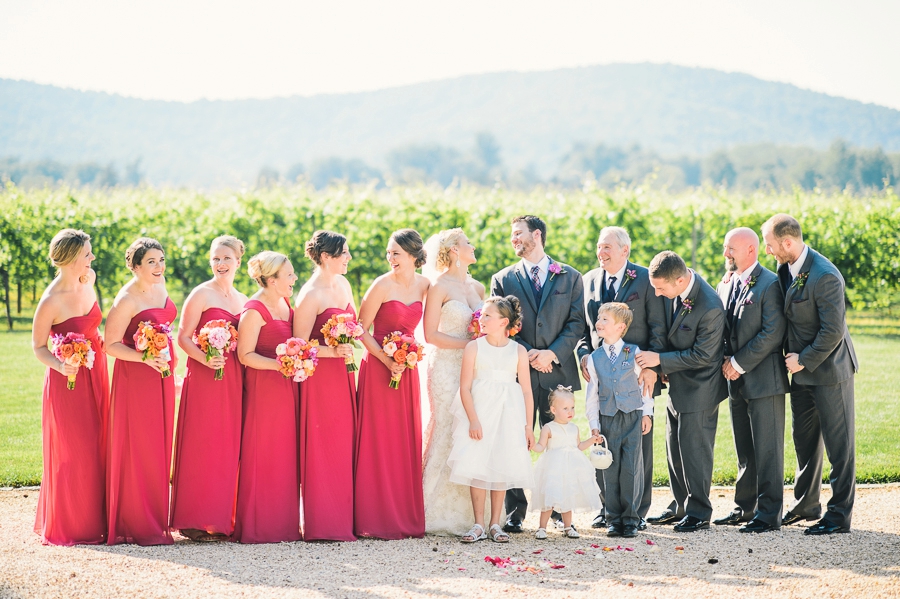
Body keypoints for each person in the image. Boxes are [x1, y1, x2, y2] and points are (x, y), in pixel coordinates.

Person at [761, 214, 858, 536]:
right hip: (800, 374)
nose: (769, 252)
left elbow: (833, 330)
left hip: (830, 371)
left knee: (839, 446)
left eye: (771, 246)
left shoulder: (825, 275)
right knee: (804, 441)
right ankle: (806, 503)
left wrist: (803, 360)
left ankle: (839, 515)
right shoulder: (786, 267)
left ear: (788, 243)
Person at [490, 215, 584, 533]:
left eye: (518, 234)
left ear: (537, 235)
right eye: (512, 235)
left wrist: (551, 353)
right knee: (516, 440)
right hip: (518, 373)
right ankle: (515, 511)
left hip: (558, 371)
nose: (513, 239)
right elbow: (500, 324)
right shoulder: (503, 279)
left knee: (559, 444)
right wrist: (529, 354)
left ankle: (558, 508)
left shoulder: (570, 277)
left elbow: (576, 324)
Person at [576, 226, 666, 530]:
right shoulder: (587, 281)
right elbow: (581, 329)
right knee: (606, 452)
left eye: (607, 248)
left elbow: (658, 325)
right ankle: (608, 511)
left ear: (624, 250)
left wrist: (653, 365)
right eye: (599, 247)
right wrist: (584, 355)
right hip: (602, 371)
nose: (601, 253)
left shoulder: (644, 278)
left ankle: (637, 512)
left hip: (637, 372)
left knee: (638, 452)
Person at [636, 251, 727, 533]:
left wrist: (658, 360)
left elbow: (702, 355)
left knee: (695, 452)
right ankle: (681, 506)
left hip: (701, 389)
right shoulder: (673, 292)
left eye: (661, 288)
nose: (658, 294)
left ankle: (699, 512)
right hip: (677, 385)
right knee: (674, 450)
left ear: (679, 279)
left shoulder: (710, 305)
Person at [31, 229, 109, 546]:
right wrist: (62, 365)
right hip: (68, 382)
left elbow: (95, 328)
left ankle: (99, 520)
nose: (92, 258)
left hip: (97, 371)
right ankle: (72, 523)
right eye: (87, 254)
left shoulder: (88, 283)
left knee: (98, 442)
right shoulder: (50, 301)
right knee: (73, 449)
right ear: (72, 257)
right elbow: (38, 347)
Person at [170, 235, 248, 542]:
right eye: (215, 258)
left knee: (227, 444)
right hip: (205, 378)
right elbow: (183, 337)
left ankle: (220, 517)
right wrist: (206, 358)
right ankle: (193, 519)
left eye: (226, 258)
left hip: (233, 379)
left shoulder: (243, 300)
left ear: (238, 261)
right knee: (202, 441)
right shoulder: (200, 294)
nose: (220, 264)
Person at [354, 229, 430, 539]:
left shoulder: (426, 285)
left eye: (396, 253)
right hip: (379, 369)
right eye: (389, 253)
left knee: (402, 438)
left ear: (413, 255)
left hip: (407, 369)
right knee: (377, 438)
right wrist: (387, 360)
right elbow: (361, 329)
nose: (390, 258)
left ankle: (402, 513)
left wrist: (407, 357)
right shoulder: (381, 285)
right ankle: (373, 516)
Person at [713, 227, 788, 533]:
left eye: (731, 248)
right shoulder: (727, 283)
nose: (726, 254)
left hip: (763, 381)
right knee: (745, 448)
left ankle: (769, 514)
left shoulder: (770, 284)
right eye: (725, 248)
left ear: (751, 251)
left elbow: (772, 333)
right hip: (735, 382)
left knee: (768, 449)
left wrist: (738, 364)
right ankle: (745, 507)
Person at [105, 238, 177, 545]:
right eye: (151, 262)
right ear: (135, 265)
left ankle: (157, 514)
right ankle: (136, 519)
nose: (159, 266)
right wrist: (144, 357)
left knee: (160, 443)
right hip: (137, 379)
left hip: (162, 374)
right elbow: (110, 345)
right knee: (140, 445)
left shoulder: (160, 287)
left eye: (161, 260)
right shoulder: (127, 300)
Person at [447, 296, 535, 544]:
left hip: (509, 413)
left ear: (503, 322)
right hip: (480, 412)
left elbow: (526, 390)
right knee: (477, 464)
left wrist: (528, 426)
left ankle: (496, 523)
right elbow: (465, 387)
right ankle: (478, 523)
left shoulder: (518, 350)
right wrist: (473, 420)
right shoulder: (474, 347)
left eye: (487, 315)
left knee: (500, 465)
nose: (480, 319)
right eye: (482, 314)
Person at [233, 251, 302, 543]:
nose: (294, 278)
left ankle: (283, 524)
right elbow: (244, 355)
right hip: (263, 390)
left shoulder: (285, 304)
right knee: (262, 452)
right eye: (288, 275)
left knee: (285, 453)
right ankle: (258, 525)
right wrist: (279, 365)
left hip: (287, 389)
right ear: (272, 280)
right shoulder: (254, 310)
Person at [293, 231, 357, 542]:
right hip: (320, 380)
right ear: (326, 257)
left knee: (343, 443)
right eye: (343, 253)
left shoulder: (343, 284)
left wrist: (348, 340)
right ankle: (321, 523)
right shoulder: (310, 294)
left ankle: (342, 519)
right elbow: (298, 346)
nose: (348, 258)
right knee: (323, 445)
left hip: (343, 376)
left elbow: (354, 325)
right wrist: (332, 351)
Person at [421, 228, 485, 536]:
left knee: (469, 431)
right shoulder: (439, 286)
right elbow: (430, 334)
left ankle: (473, 513)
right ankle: (433, 508)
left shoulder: (477, 287)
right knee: (447, 427)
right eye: (468, 243)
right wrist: (469, 346)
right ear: (455, 251)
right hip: (446, 367)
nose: (473, 246)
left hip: (474, 369)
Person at [585, 302, 654, 538]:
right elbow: (592, 394)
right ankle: (613, 519)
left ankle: (631, 519)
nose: (599, 323)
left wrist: (647, 413)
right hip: (608, 419)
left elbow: (645, 386)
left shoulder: (634, 353)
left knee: (632, 469)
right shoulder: (593, 358)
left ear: (620, 327)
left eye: (605, 319)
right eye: (598, 318)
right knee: (609, 469)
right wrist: (594, 426)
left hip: (633, 416)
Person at [531, 385, 602, 540]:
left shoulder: (574, 428)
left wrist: (592, 440)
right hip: (554, 468)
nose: (570, 412)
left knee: (567, 497)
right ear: (554, 410)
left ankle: (568, 526)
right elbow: (541, 446)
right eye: (565, 408)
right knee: (549, 500)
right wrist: (531, 445)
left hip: (571, 467)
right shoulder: (548, 428)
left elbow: (579, 446)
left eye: (572, 407)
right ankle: (542, 528)